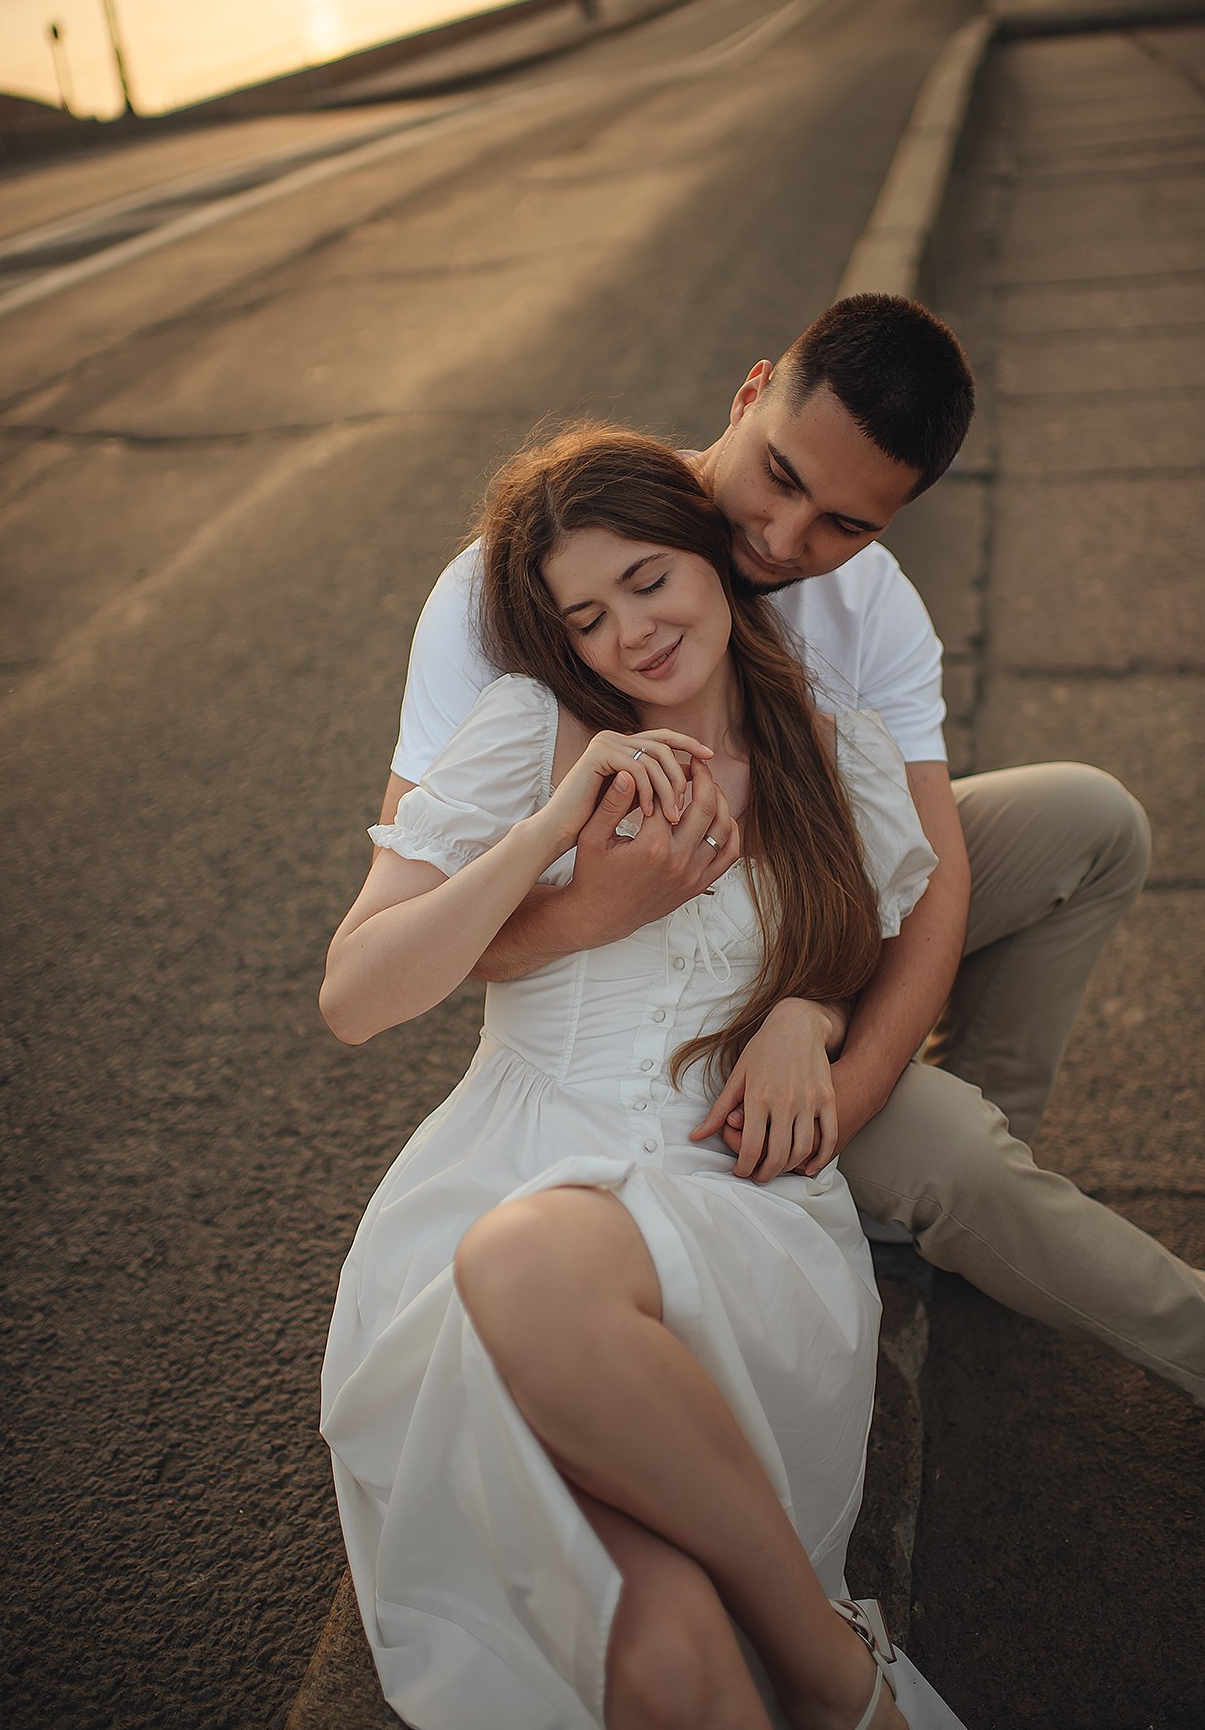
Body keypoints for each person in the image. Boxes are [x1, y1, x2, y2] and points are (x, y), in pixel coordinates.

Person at [376, 292, 1205, 1428]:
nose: (786, 543)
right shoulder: (518, 585)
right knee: (959, 1162)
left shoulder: (864, 603)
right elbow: (424, 930)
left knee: (1088, 823)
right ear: (749, 395)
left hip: (811, 930)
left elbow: (930, 877)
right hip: (647, 1014)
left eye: (846, 523)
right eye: (781, 478)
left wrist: (837, 1069)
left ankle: (921, 1194)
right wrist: (596, 907)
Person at [321, 430, 968, 1730]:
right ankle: (845, 1675)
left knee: (526, 1270)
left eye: (650, 577)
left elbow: (866, 931)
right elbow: (357, 995)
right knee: (673, 1669)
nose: (634, 631)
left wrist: (807, 1007)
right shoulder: (535, 731)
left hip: (728, 1201)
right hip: (507, 1163)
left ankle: (829, 1665)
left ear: (714, 558)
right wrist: (555, 830)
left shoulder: (826, 750)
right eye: (587, 615)